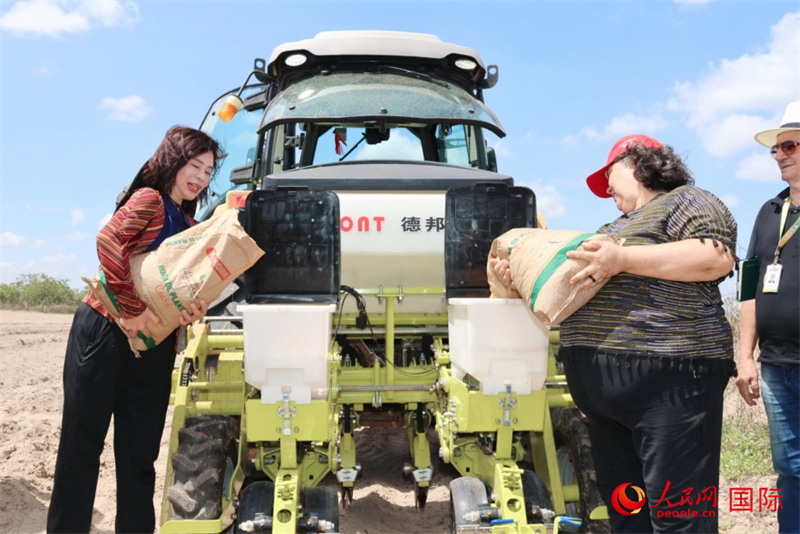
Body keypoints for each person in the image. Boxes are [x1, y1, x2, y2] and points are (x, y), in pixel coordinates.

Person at [492, 134, 737, 533]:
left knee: (679, 516)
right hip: (606, 405)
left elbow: (715, 257)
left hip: (670, 388)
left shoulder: (686, 201)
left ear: (637, 162)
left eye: (608, 176)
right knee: (628, 514)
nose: (606, 190)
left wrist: (621, 257)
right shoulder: (610, 228)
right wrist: (518, 279)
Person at [47, 126, 227, 534]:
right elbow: (109, 242)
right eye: (194, 165)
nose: (200, 177)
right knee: (80, 448)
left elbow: (179, 288)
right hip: (105, 331)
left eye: (207, 171)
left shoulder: (189, 223)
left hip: (152, 346)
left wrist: (191, 310)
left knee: (139, 457)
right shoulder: (150, 200)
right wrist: (130, 311)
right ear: (173, 161)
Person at [736, 101, 800, 534]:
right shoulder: (769, 212)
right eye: (776, 148)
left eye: (789, 146)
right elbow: (749, 287)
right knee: (790, 470)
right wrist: (745, 356)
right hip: (777, 366)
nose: (779, 155)